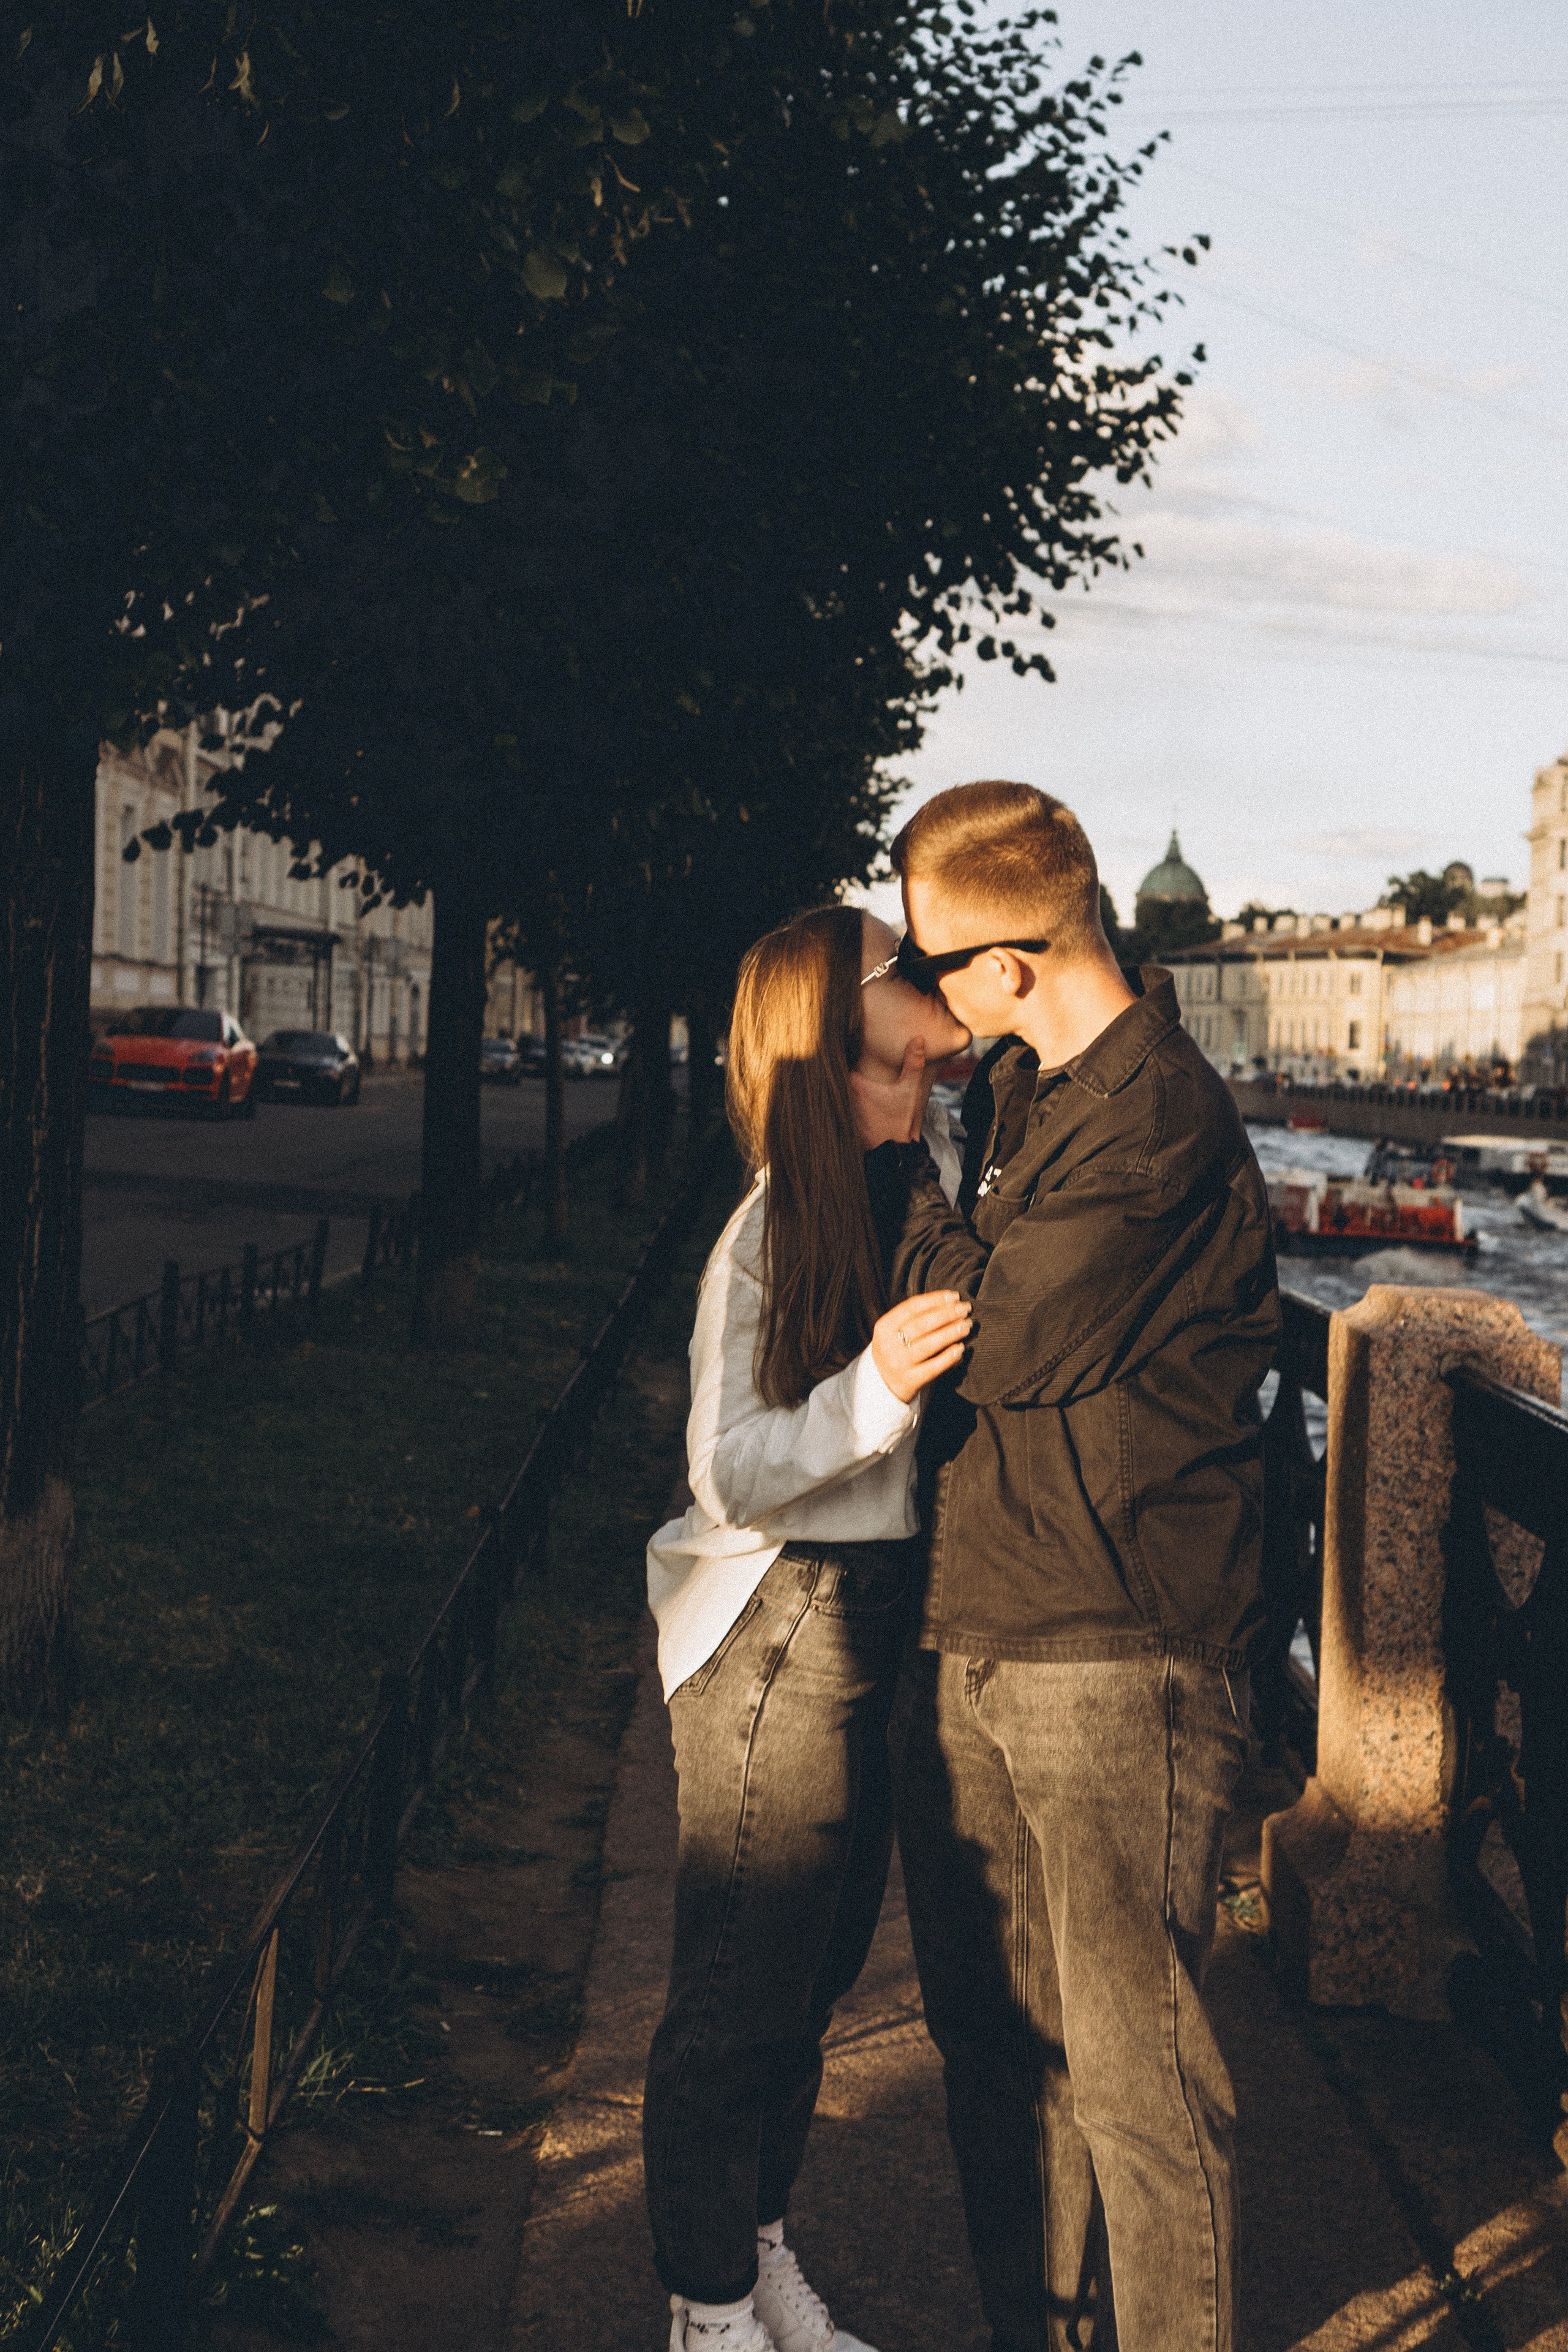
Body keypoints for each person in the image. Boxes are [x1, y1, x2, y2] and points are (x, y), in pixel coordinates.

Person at [850, 782, 1280, 2352]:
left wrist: (899, 1179)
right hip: (979, 1625)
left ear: (1010, 962)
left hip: (1119, 1657)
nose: (923, 999)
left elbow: (1007, 1343)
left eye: (931, 959)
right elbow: (988, 1313)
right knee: (996, 2055)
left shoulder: (1158, 1114)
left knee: (1136, 2081)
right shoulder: (1028, 1092)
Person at [644, 902, 972, 2352]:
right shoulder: (773, 1219)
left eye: (922, 1078)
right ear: (815, 1053)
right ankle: (706, 2312)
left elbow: (957, 1035)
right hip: (775, 1624)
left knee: (811, 1982)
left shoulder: (909, 1168)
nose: (915, 1098)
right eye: (884, 1064)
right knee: (734, 1999)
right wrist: (877, 1393)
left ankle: (754, 2247)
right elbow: (729, 1468)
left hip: (865, 1614)